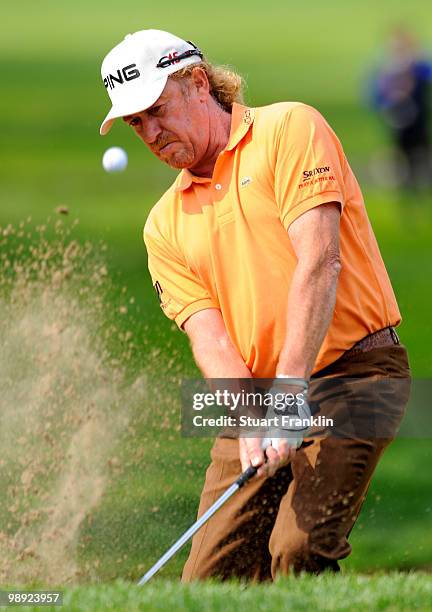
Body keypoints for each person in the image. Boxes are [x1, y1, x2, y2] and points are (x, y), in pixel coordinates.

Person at [100, 29, 411, 580]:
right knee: (209, 581)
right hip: (258, 395)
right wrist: (250, 419)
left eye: (155, 109)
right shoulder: (162, 226)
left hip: (356, 373)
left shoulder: (289, 128)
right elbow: (209, 338)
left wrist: (291, 390)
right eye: (134, 122)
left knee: (298, 548)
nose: (149, 132)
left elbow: (319, 263)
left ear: (198, 82)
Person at [369, 27, 432, 189]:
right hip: (399, 119)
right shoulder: (387, 70)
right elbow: (377, 94)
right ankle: (407, 183)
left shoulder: (418, 67)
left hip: (418, 117)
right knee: (403, 150)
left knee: (420, 148)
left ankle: (419, 180)